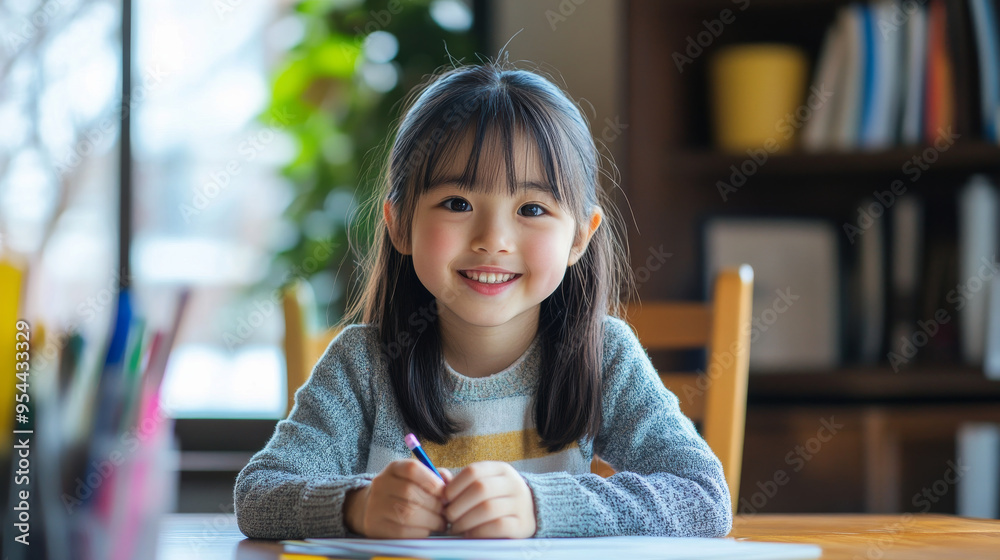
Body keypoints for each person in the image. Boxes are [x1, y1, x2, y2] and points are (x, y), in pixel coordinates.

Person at [234, 60, 732, 540]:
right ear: (399, 223)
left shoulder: (604, 357)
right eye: (457, 204)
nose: (493, 239)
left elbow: (703, 496)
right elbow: (259, 495)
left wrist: (540, 506)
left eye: (532, 208)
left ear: (580, 238)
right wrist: (356, 506)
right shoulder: (362, 365)